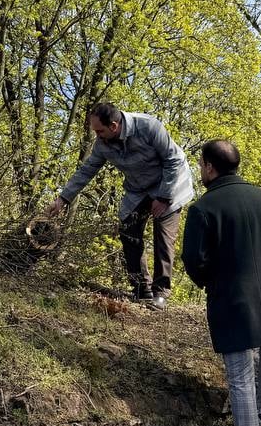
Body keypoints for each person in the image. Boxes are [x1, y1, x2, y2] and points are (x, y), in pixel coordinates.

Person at [181, 139, 261, 426]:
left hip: (232, 299)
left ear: (210, 167)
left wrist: (215, 279)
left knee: (240, 377)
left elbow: (194, 262)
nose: (200, 170)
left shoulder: (203, 209)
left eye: (201, 165)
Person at [47, 102, 194, 310]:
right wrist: (63, 199)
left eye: (100, 131)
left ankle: (161, 294)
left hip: (169, 184)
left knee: (163, 236)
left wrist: (163, 198)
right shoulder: (102, 145)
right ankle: (141, 288)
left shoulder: (149, 127)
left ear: (114, 126)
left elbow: (173, 161)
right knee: (128, 231)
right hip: (138, 188)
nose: (97, 136)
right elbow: (86, 171)